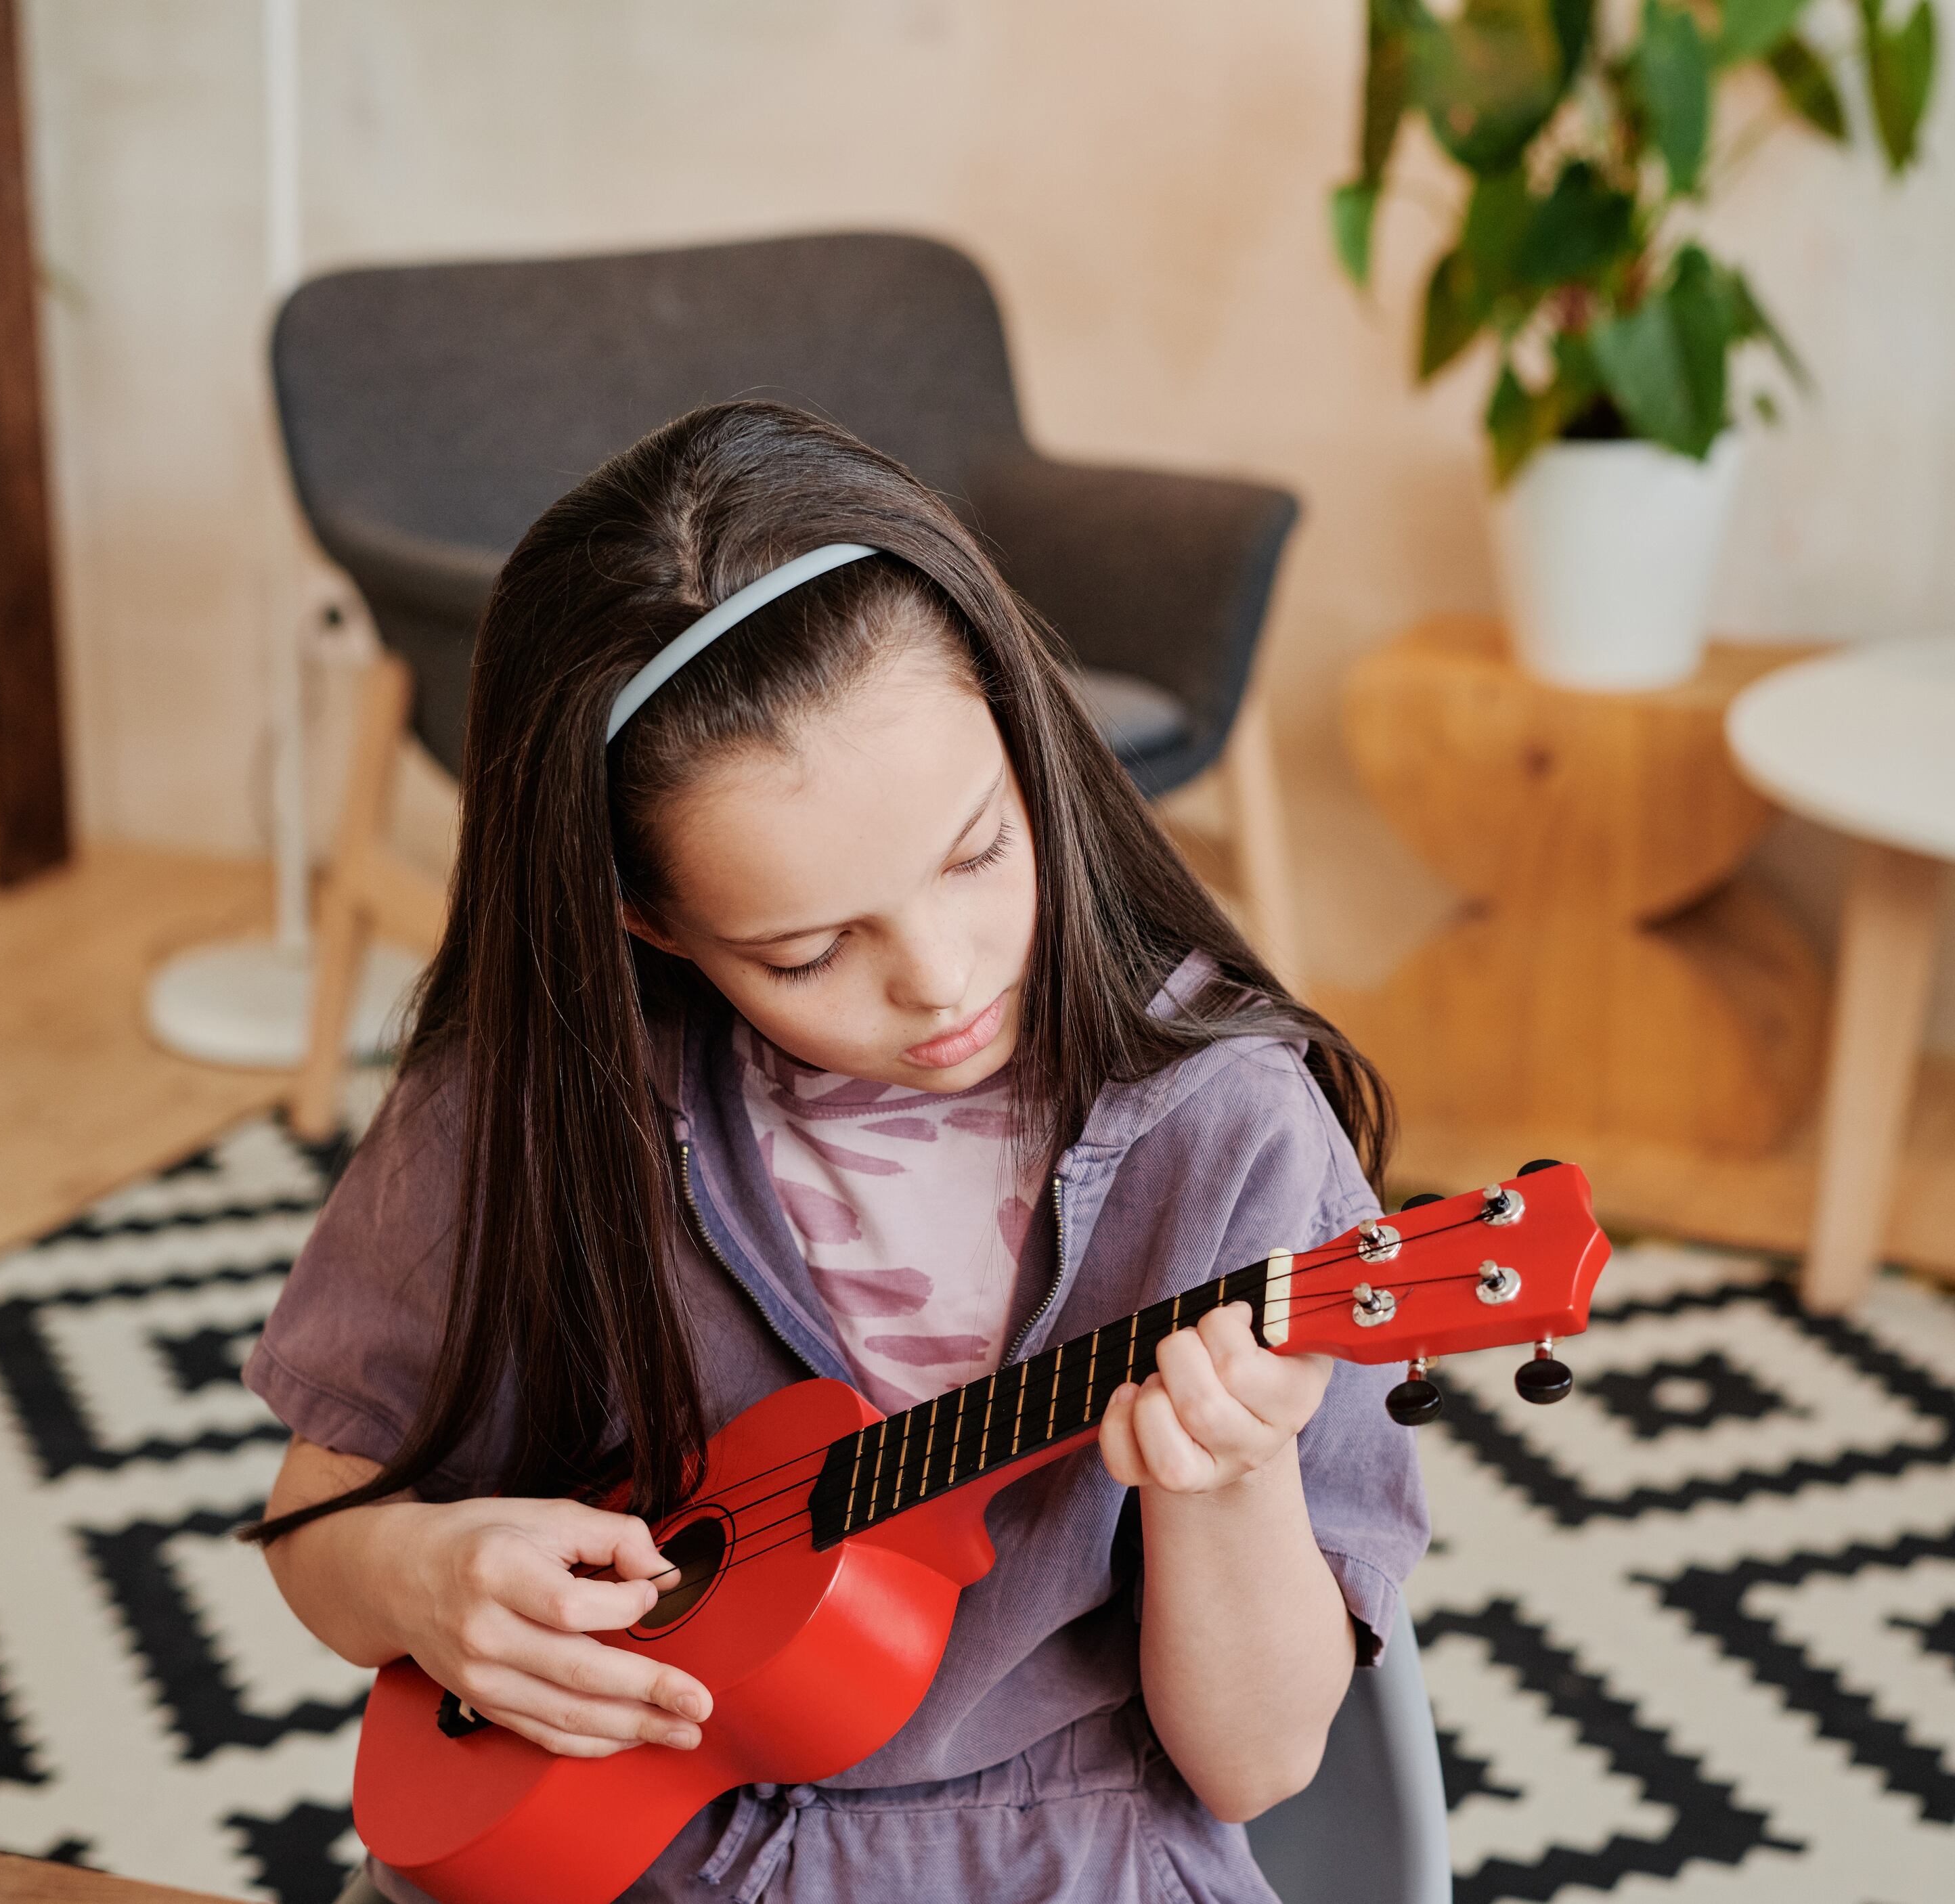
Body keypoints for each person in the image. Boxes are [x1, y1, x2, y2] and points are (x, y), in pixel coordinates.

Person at [242, 400, 1426, 1904]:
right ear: (644, 919)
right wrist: (416, 1580)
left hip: (1060, 1857)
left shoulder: (1227, 1137)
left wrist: (1230, 1478)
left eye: (982, 851)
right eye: (805, 948)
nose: (941, 977)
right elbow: (317, 1514)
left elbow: (1256, 1766)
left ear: (1023, 735)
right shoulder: (527, 1108)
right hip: (632, 1849)